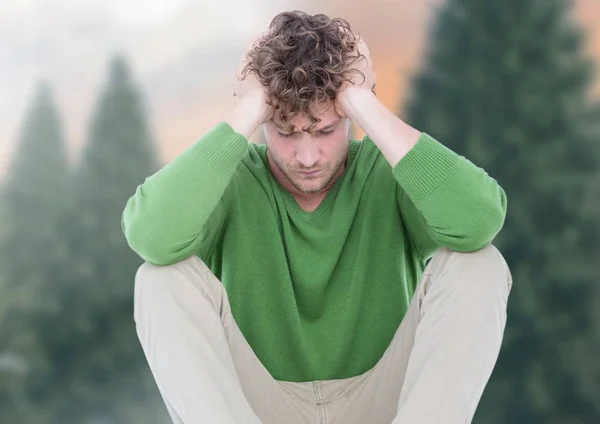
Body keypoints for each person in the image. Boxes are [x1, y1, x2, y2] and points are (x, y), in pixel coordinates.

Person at [122, 10, 512, 424]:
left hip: (386, 401)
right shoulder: (229, 181)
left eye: (325, 130)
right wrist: (250, 105)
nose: (307, 157)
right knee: (158, 278)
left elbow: (481, 220)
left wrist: (364, 100)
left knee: (480, 264)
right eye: (285, 132)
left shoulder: (388, 172)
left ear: (348, 117)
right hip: (259, 405)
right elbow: (150, 235)